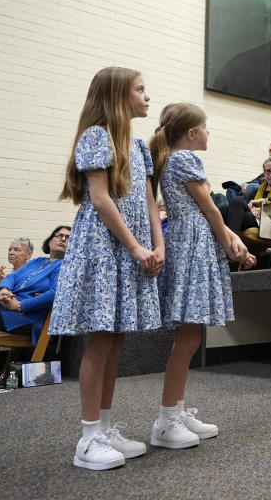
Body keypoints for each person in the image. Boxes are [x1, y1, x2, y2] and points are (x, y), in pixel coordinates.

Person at [49, 67, 165, 471]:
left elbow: (150, 202)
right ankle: (87, 437)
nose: (147, 96)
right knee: (100, 341)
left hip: (132, 249)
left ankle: (106, 426)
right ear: (119, 96)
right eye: (140, 89)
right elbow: (100, 199)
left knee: (116, 340)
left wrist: (158, 244)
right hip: (106, 248)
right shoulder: (96, 136)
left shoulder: (139, 145)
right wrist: (135, 247)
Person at [147, 102, 254, 449]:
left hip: (192, 239)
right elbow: (208, 208)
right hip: (192, 243)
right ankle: (167, 420)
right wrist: (227, 242)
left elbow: (210, 212)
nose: (209, 133)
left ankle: (175, 410)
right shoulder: (184, 158)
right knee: (189, 337)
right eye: (206, 127)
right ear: (191, 133)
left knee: (189, 336)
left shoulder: (172, 159)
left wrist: (232, 239)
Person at [0, 226, 69, 375]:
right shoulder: (38, 261)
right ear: (50, 241)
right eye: (59, 235)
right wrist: (4, 290)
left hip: (27, 317)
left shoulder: (65, 266)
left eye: (68, 237)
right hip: (8, 307)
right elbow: (11, 277)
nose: (63, 239)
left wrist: (20, 305)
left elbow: (55, 294)